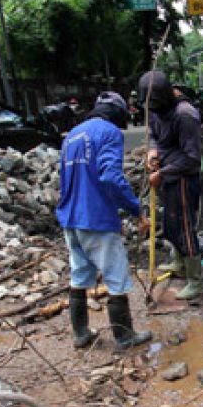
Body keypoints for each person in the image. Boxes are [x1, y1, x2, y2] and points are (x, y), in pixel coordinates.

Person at [56, 91, 152, 352]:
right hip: (95, 218)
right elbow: (110, 177)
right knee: (116, 277)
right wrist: (135, 208)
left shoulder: (72, 135)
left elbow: (67, 179)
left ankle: (81, 333)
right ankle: (124, 336)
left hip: (70, 218)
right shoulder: (109, 132)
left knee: (79, 274)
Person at [139, 70, 203, 300]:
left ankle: (196, 281)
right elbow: (154, 135)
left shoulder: (185, 115)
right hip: (167, 175)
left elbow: (192, 157)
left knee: (185, 228)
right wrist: (153, 152)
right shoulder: (157, 110)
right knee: (171, 224)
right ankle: (179, 263)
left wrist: (163, 172)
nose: (153, 112)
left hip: (185, 178)